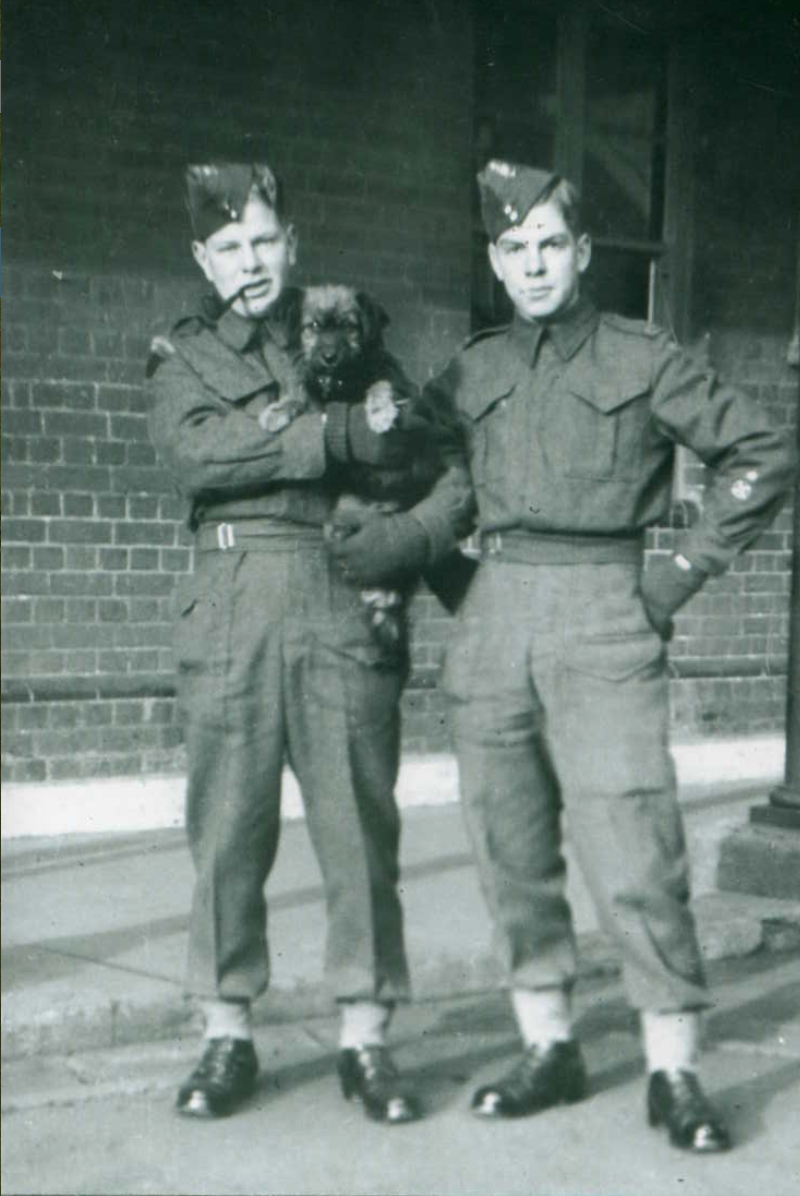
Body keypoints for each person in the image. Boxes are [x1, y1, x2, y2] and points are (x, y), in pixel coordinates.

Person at [328, 159, 796, 1152]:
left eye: (550, 243)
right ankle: (549, 1044)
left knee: (634, 844)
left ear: (582, 251)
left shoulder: (642, 353)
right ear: (494, 261)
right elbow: (418, 470)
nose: (533, 263)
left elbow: (759, 454)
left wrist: (670, 581)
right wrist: (442, 571)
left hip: (604, 612)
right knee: (510, 846)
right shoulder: (472, 369)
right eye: (514, 247)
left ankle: (673, 1068)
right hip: (495, 616)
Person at [147, 162, 461, 1124]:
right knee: (227, 832)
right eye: (227, 247)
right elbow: (197, 453)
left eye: (262, 241)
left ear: (292, 243)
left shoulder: (350, 333)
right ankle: (225, 1034)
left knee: (359, 827)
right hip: (233, 601)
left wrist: (401, 513)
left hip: (340, 591)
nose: (248, 262)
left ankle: (365, 1037)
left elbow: (423, 446)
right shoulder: (185, 354)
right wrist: (334, 437)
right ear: (203, 258)